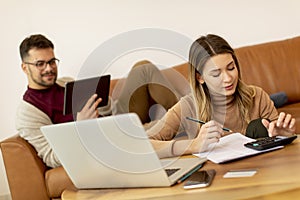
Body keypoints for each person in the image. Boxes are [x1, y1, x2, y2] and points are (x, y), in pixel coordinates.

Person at [16, 34, 188, 168]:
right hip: (101, 141)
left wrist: (103, 102)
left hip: (112, 123)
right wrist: (81, 127)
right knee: (159, 126)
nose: (49, 68)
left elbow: (108, 113)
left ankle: (188, 115)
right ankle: (188, 118)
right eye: (40, 64)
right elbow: (51, 158)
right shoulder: (28, 113)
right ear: (25, 67)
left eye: (52, 62)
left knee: (143, 68)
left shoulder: (65, 82)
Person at [147, 34, 296, 158]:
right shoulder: (188, 106)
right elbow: (143, 145)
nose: (227, 78)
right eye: (216, 73)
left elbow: (281, 147)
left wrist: (283, 135)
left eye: (231, 68)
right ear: (200, 78)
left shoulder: (257, 96)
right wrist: (194, 145)